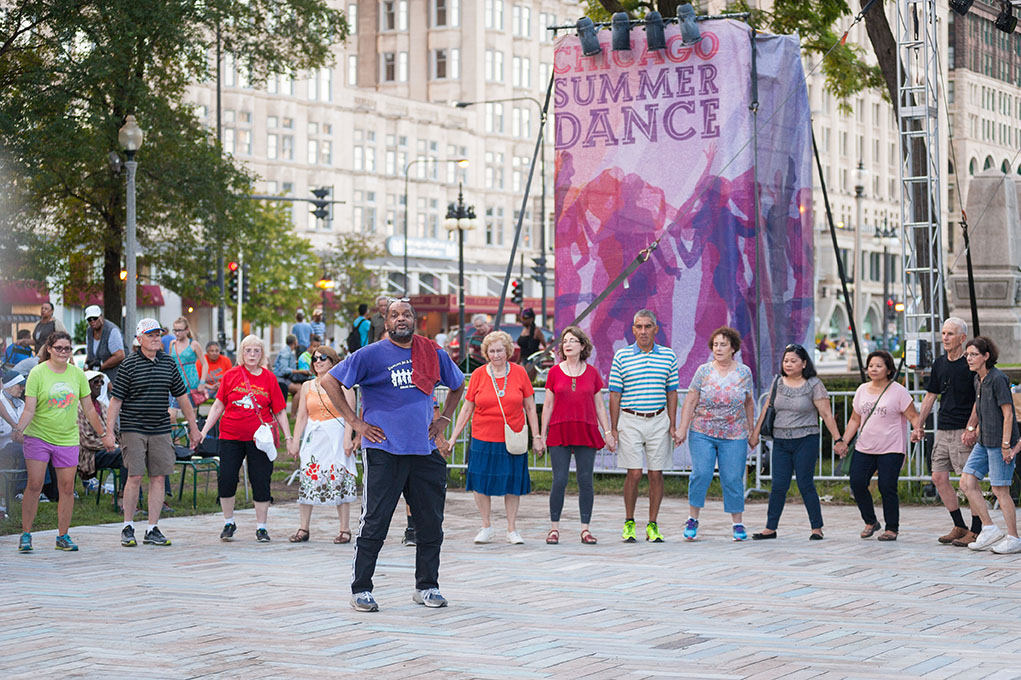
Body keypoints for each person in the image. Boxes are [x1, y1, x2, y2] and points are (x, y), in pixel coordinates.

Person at [321, 299, 464, 612]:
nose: (402, 319)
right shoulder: (370, 355)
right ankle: (361, 589)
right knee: (375, 520)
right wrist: (355, 422)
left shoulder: (432, 352)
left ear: (415, 320)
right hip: (385, 449)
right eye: (395, 314)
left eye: (407, 314)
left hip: (424, 450)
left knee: (430, 522)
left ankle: (427, 586)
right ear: (385, 321)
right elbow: (328, 380)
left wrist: (444, 419)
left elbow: (458, 384)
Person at [10, 331, 112, 553]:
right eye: (59, 348)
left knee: (66, 487)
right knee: (35, 485)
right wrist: (19, 428)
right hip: (38, 436)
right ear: (49, 349)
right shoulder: (37, 373)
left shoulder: (77, 375)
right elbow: (29, 409)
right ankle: (26, 534)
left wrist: (104, 434)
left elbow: (88, 410)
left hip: (67, 438)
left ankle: (63, 535)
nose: (63, 352)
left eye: (67, 348)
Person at [105, 318, 201, 547]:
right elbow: (116, 401)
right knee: (135, 476)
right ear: (139, 340)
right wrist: (109, 432)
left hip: (160, 428)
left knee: (159, 476)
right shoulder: (129, 365)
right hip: (133, 427)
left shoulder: (168, 363)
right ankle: (128, 526)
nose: (156, 338)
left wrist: (194, 427)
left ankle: (152, 528)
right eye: (150, 335)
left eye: (158, 334)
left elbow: (182, 397)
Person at [448, 330, 541, 545]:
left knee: (512, 484)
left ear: (508, 351)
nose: (496, 354)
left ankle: (512, 529)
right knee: (481, 483)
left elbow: (529, 406)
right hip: (482, 437)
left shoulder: (519, 373)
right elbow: (466, 408)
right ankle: (486, 526)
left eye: (500, 350)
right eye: (492, 351)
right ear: (486, 352)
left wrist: (536, 436)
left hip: (512, 438)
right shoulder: (479, 374)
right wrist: (453, 437)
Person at [200, 334, 291, 542]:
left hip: (259, 438)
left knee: (260, 479)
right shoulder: (230, 375)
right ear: (241, 353)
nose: (252, 355)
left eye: (256, 351)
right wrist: (204, 431)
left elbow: (280, 411)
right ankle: (228, 522)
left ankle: (261, 527)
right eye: (248, 350)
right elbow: (218, 405)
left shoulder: (269, 378)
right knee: (227, 478)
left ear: (262, 354)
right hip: (230, 435)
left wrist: (289, 436)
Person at [749, 344, 842, 541]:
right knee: (778, 485)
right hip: (781, 441)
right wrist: (755, 434)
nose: (788, 364)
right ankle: (770, 528)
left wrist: (838, 439)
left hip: (806, 440)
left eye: (793, 361)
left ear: (804, 363)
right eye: (786, 361)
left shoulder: (813, 384)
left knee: (805, 483)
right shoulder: (778, 382)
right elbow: (767, 408)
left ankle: (816, 527)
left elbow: (826, 413)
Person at [676, 326, 755, 541]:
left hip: (734, 433)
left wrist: (752, 429)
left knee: (732, 478)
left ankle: (737, 523)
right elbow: (691, 400)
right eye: (715, 345)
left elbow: (749, 402)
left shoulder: (743, 372)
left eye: (723, 345)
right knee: (701, 473)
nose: (718, 349)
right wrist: (682, 427)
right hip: (703, 430)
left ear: (733, 348)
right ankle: (693, 519)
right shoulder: (703, 371)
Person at [539, 325, 615, 545]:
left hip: (585, 429)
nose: (568, 344)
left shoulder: (592, 373)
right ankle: (554, 528)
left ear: (582, 345)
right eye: (565, 341)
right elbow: (548, 405)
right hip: (560, 429)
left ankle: (585, 529)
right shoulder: (554, 372)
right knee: (559, 480)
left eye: (573, 340)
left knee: (585, 480)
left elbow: (600, 406)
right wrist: (541, 435)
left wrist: (607, 432)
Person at [608, 310, 679, 543]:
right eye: (639, 327)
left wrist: (672, 423)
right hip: (630, 418)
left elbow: (672, 392)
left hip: (658, 419)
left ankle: (652, 524)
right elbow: (615, 394)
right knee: (635, 473)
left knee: (657, 473)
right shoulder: (622, 356)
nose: (643, 331)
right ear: (633, 329)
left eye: (648, 326)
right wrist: (614, 427)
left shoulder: (668, 356)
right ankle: (629, 522)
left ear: (656, 329)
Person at [910, 318, 982, 546]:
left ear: (962, 338)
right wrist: (919, 425)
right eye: (943, 333)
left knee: (967, 481)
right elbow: (931, 395)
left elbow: (978, 399)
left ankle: (977, 528)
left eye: (950, 334)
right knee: (938, 477)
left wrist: (972, 427)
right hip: (943, 428)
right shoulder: (940, 363)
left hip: (963, 429)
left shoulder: (970, 363)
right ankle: (959, 525)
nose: (945, 338)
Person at [836, 350, 921, 542]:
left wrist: (917, 430)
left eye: (879, 366)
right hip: (865, 446)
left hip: (891, 447)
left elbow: (914, 416)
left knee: (887, 486)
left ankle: (892, 527)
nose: (873, 369)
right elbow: (855, 419)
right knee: (857, 482)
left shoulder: (898, 391)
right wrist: (843, 441)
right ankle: (870, 521)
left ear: (889, 370)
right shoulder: (862, 390)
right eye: (871, 366)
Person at [286, 345, 358, 543]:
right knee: (308, 478)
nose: (318, 361)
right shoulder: (307, 386)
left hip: (335, 434)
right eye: (315, 358)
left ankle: (344, 528)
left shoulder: (344, 385)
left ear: (333, 361)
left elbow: (350, 415)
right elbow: (301, 416)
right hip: (314, 436)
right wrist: (295, 441)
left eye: (323, 358)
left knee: (339, 478)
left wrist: (347, 438)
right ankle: (304, 527)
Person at [958, 336, 1021, 554]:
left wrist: (1006, 445)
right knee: (966, 482)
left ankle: (1013, 537)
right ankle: (989, 528)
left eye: (974, 354)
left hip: (999, 442)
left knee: (1000, 489)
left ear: (986, 356)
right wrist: (970, 428)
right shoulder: (978, 379)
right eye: (967, 355)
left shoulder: (998, 379)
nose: (969, 358)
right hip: (984, 441)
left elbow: (1008, 413)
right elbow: (978, 406)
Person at [77, 370, 126, 491]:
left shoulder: (103, 406)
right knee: (125, 455)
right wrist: (113, 446)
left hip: (107, 449)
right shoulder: (78, 407)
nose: (99, 384)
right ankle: (123, 494)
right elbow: (86, 441)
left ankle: (126, 493)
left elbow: (116, 432)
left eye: (101, 382)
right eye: (95, 382)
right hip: (89, 454)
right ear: (85, 384)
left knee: (132, 452)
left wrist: (121, 444)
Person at [168, 317, 207, 406]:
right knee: (172, 414)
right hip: (176, 382)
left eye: (180, 330)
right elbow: (170, 364)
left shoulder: (194, 344)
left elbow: (204, 364)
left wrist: (202, 383)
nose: (177, 333)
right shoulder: (172, 344)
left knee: (191, 414)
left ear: (187, 330)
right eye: (175, 330)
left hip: (191, 383)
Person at [83, 304, 125, 384]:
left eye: (95, 318)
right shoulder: (89, 331)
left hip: (113, 378)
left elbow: (120, 355)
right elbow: (90, 353)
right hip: (95, 380)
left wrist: (100, 367)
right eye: (89, 319)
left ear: (101, 316)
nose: (92, 322)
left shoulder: (112, 331)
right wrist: (85, 367)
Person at [272, 334, 300, 403]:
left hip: (285, 379)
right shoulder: (286, 352)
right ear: (295, 342)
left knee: (300, 386)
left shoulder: (288, 351)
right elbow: (284, 370)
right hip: (281, 379)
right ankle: (293, 413)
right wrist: (300, 372)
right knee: (300, 389)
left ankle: (295, 412)